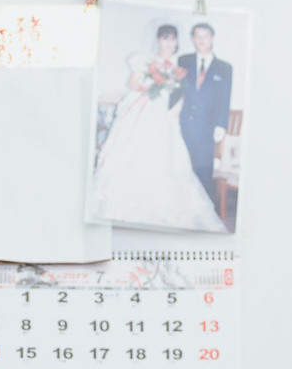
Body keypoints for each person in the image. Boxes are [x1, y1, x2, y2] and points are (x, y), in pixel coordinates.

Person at [89, 24, 228, 234]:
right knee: (139, 155)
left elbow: (185, 93)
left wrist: (176, 108)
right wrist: (154, 84)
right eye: (165, 39)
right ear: (158, 40)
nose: (169, 43)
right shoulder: (145, 60)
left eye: (173, 39)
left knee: (168, 156)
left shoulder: (181, 63)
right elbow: (133, 83)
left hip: (167, 115)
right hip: (147, 111)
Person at [175, 21, 234, 202]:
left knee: (203, 168)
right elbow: (176, 91)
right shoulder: (183, 61)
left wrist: (221, 125)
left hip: (208, 127)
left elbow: (225, 98)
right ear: (193, 39)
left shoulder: (225, 68)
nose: (201, 40)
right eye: (197, 36)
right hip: (183, 123)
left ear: (212, 39)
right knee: (182, 165)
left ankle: (201, 204)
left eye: (205, 36)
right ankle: (182, 203)